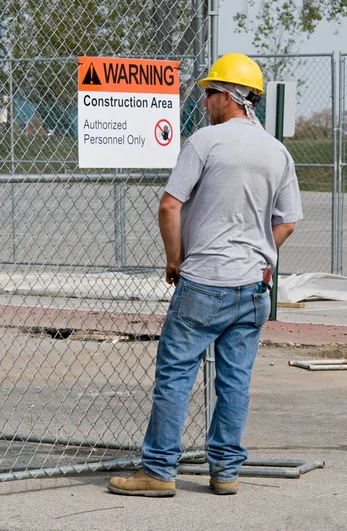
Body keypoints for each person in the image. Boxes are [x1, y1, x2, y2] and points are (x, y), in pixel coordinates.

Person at [107, 53, 303, 497]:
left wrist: (174, 259)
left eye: (211, 92)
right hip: (254, 287)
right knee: (234, 379)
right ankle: (225, 472)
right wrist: (259, 253)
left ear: (230, 97)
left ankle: (158, 470)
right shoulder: (277, 152)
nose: (205, 100)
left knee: (176, 373)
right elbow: (288, 220)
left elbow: (169, 204)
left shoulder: (205, 143)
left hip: (205, 280)